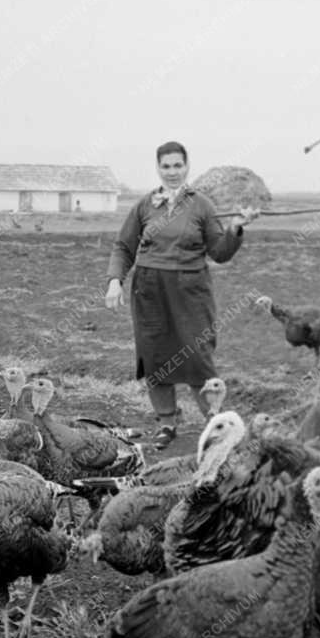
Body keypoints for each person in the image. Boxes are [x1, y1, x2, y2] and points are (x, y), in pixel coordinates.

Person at [105, 141, 259, 448]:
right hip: (150, 291)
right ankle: (167, 423)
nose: (172, 172)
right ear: (158, 168)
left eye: (178, 165)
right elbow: (124, 246)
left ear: (187, 167)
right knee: (155, 356)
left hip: (190, 292)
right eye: (166, 166)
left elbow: (220, 252)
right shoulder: (145, 206)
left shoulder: (202, 205)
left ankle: (216, 423)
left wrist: (235, 229)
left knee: (198, 355)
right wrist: (114, 280)